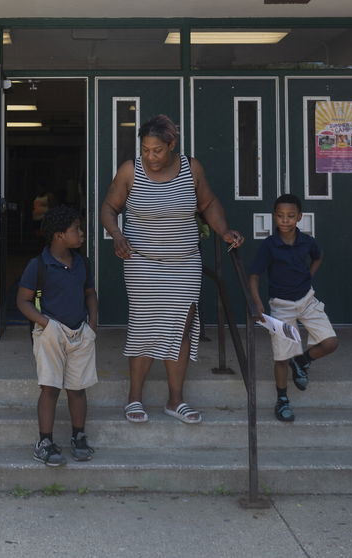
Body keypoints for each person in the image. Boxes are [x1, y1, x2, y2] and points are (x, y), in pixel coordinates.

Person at [99, 114, 244, 426]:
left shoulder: (192, 168)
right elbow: (109, 208)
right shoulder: (130, 171)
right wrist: (117, 235)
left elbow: (207, 204)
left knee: (182, 328)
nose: (150, 157)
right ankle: (134, 397)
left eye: (157, 151)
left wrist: (224, 231)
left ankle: (175, 400)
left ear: (172, 145)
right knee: (144, 324)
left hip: (184, 263)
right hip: (142, 262)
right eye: (146, 150)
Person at [16, 204, 99, 466]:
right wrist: (47, 324)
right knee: (50, 387)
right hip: (50, 331)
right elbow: (23, 301)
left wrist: (92, 325)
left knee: (77, 388)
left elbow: (89, 294)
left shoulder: (81, 262)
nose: (82, 233)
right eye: (77, 229)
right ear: (59, 235)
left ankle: (78, 436)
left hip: (79, 331)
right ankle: (45, 442)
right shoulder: (38, 265)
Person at [247, 193, 339, 423]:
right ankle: (282, 400)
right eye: (280, 216)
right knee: (281, 356)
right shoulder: (269, 246)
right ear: (274, 217)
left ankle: (302, 360)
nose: (285, 220)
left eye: (290, 216)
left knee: (330, 343)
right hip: (281, 307)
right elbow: (254, 275)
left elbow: (319, 256)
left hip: (307, 301)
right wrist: (258, 305)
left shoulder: (307, 242)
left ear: (299, 217)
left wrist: (309, 275)